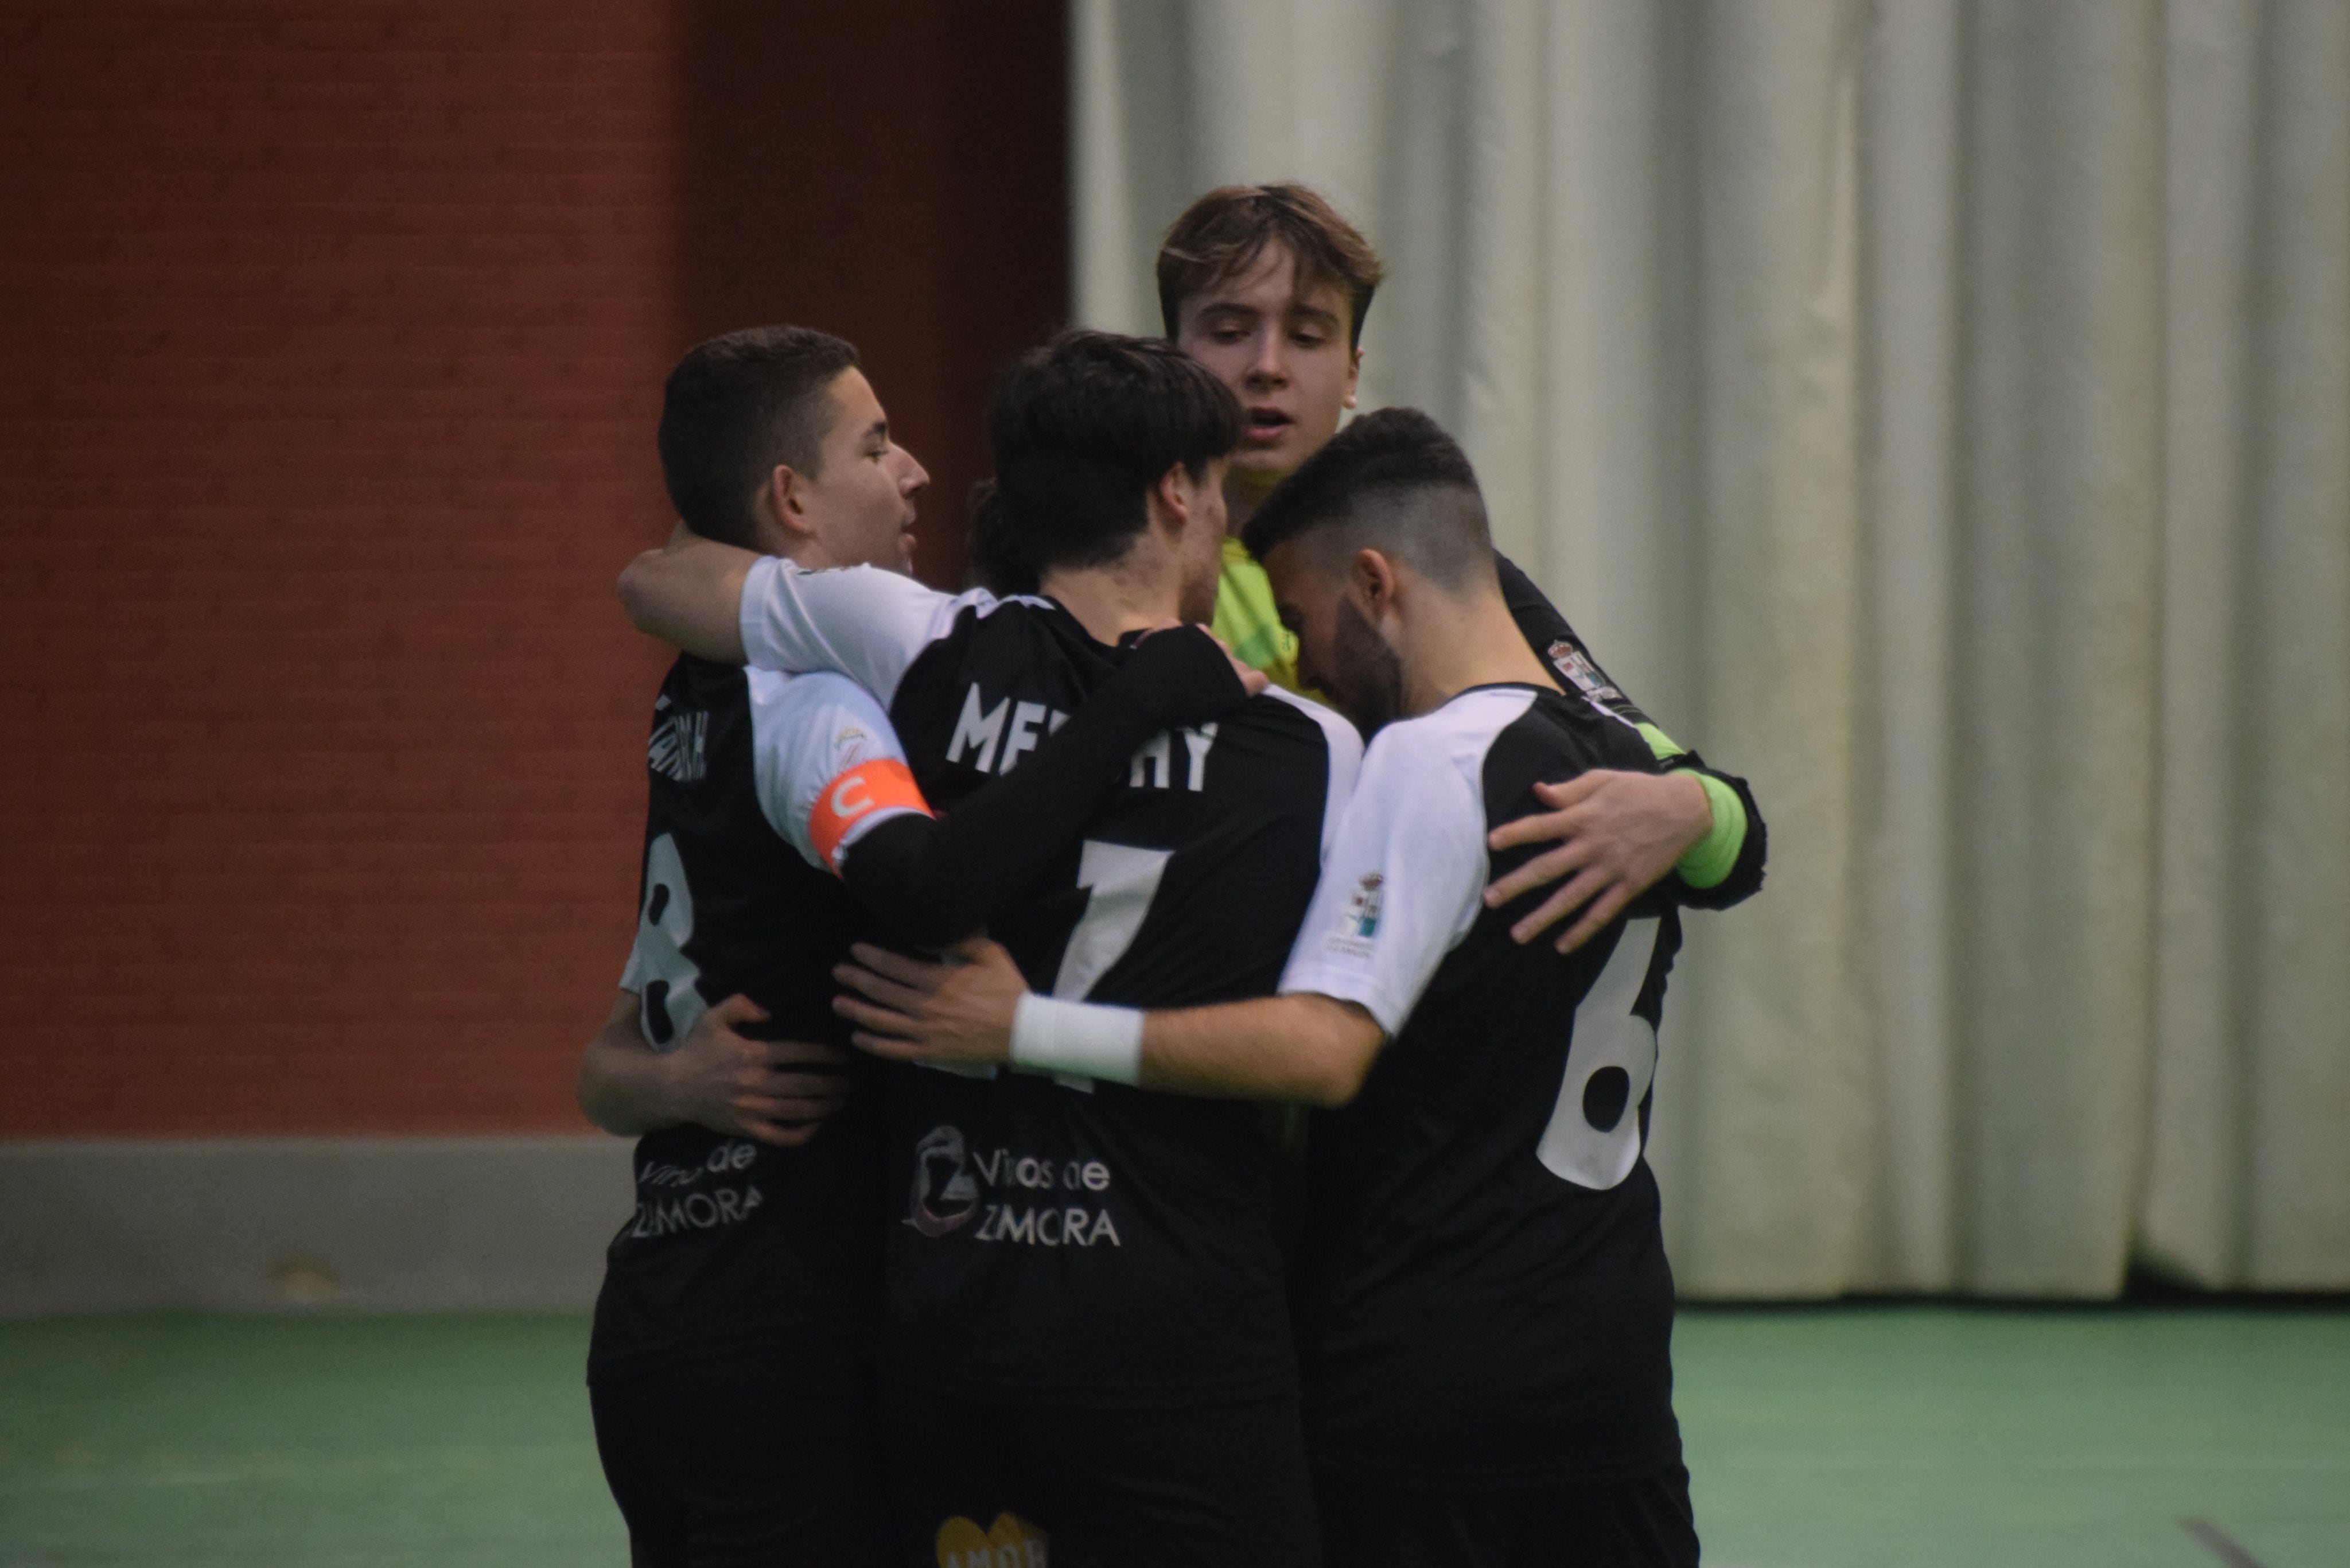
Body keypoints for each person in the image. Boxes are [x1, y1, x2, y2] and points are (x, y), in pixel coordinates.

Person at [838, 408, 1705, 1567]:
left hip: (1428, 1361)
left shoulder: (1423, 759)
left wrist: (1022, 1022)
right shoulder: (1632, 768)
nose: (1298, 662)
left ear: (1373, 582)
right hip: (1609, 1354)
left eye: (1301, 622)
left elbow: (1319, 1050)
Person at [616, 329, 1363, 1567]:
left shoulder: (904, 641)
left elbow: (667, 576)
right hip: (1183, 1322)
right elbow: (1329, 1041)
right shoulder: (1311, 748)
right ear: (1175, 491)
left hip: (955, 1313)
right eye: (1217, 495)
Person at [1156, 183, 1765, 948]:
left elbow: (1727, 839)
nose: (1267, 366)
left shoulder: (1442, 569)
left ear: (1351, 372)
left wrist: (1691, 813)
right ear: (1171, 357)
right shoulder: (1111, 565)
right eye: (1230, 330)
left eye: (1307, 336)